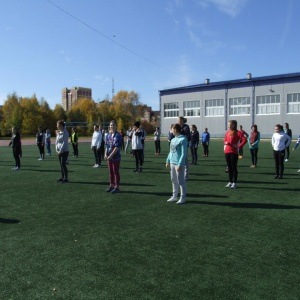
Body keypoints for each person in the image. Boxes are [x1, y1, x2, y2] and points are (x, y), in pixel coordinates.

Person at [166, 124, 188, 204]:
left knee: (181, 181)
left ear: (175, 129)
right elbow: (171, 151)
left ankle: (182, 197)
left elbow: (183, 153)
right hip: (172, 162)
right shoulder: (173, 139)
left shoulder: (183, 139)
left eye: (171, 129)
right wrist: (168, 160)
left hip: (179, 163)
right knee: (173, 180)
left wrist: (180, 163)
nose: (170, 130)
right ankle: (174, 196)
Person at [224, 120, 247, 188]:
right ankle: (230, 182)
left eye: (229, 124)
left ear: (233, 125)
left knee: (234, 168)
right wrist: (226, 142)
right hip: (227, 152)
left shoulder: (238, 133)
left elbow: (245, 139)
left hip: (233, 153)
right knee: (229, 168)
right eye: (228, 124)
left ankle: (234, 183)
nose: (228, 125)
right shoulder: (227, 132)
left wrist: (238, 146)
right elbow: (225, 140)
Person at [104, 120, 122, 193]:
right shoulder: (108, 135)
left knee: (115, 172)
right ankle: (111, 186)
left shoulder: (118, 135)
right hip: (109, 157)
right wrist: (105, 154)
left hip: (115, 157)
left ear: (116, 126)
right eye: (111, 125)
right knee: (110, 172)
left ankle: (117, 187)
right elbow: (107, 146)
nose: (112, 126)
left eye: (114, 125)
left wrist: (111, 155)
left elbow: (117, 147)